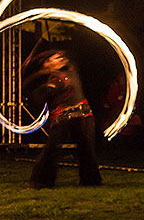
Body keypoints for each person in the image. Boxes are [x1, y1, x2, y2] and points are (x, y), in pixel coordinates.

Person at [23, 50, 102, 189]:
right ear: (47, 63)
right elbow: (36, 96)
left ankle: (90, 179)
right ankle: (41, 181)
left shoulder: (71, 71)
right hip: (62, 117)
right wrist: (44, 80)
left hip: (83, 115)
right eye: (56, 58)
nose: (61, 59)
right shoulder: (46, 79)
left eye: (61, 58)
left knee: (87, 148)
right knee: (52, 148)